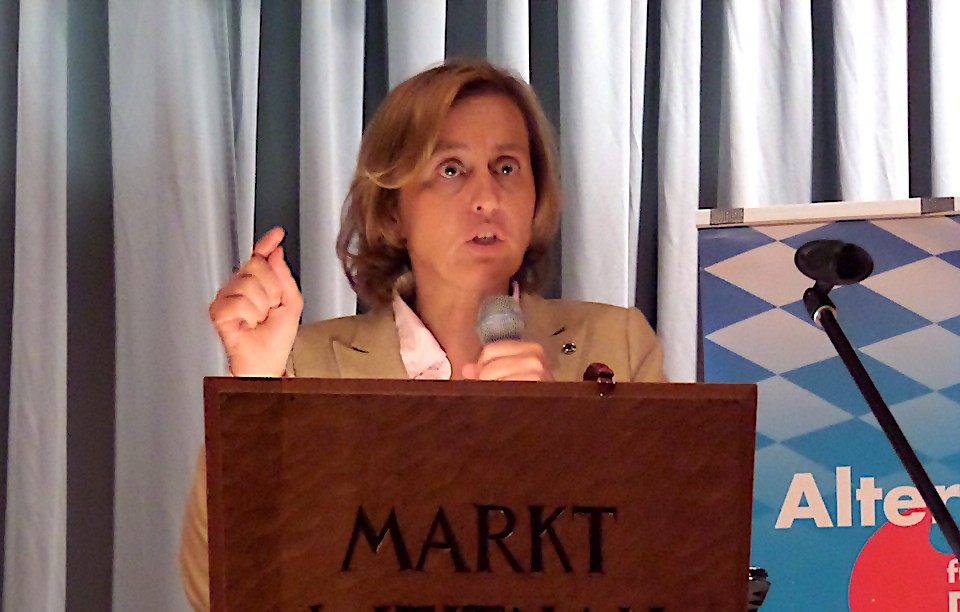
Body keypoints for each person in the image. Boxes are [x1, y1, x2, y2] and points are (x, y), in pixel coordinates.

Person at [180, 58, 666, 610]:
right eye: (451, 170)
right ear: (393, 211)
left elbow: (671, 566)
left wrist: (558, 440)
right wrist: (254, 391)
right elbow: (216, 590)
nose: (487, 199)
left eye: (507, 167)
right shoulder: (308, 367)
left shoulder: (617, 345)